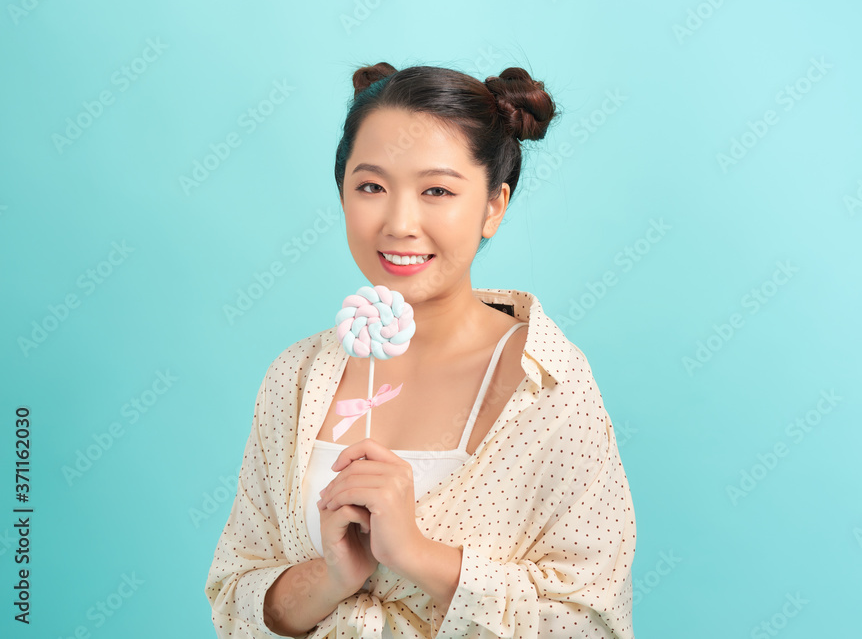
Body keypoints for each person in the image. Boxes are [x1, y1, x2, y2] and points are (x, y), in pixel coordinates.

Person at [204, 61, 637, 638]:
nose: (400, 223)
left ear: (493, 206)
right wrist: (332, 577)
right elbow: (234, 596)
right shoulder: (297, 376)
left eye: (437, 190)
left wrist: (413, 551)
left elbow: (592, 621)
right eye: (371, 187)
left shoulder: (549, 386)